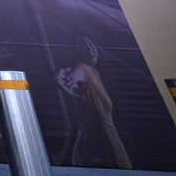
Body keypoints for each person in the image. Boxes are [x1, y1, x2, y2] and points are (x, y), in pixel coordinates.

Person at [55, 36, 132, 169]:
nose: (89, 48)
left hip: (112, 139)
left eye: (90, 44)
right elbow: (68, 80)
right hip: (104, 142)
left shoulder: (94, 73)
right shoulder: (82, 68)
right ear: (78, 52)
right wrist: (64, 82)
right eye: (83, 46)